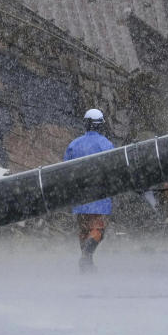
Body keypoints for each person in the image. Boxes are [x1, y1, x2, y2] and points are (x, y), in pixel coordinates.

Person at [65, 108, 116, 273]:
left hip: (79, 197)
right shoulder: (106, 144)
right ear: (101, 125)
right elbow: (113, 169)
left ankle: (87, 261)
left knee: (84, 229)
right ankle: (87, 255)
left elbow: (64, 170)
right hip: (99, 197)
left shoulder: (73, 145)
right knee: (97, 228)